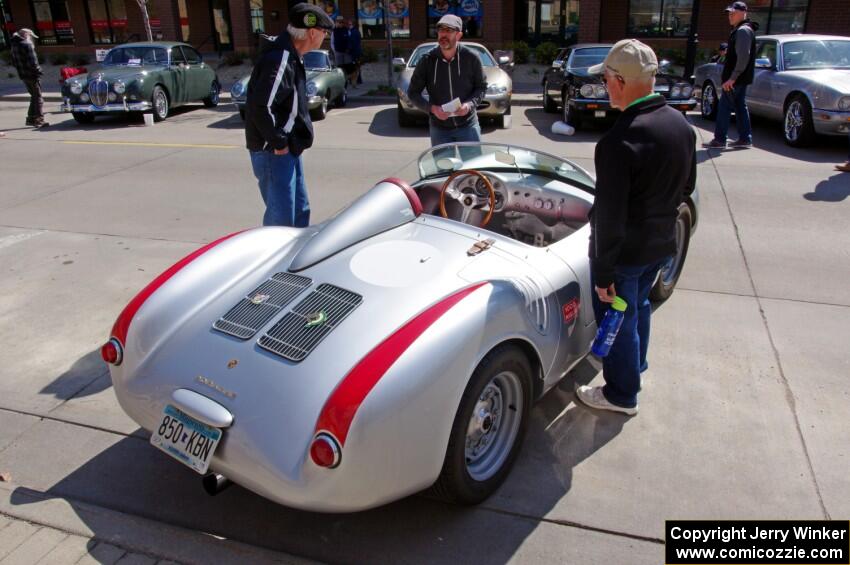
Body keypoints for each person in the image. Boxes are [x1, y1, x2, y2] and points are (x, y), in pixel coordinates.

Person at [574, 39, 696, 416]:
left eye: (607, 78)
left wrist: (604, 271)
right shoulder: (681, 125)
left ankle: (622, 394)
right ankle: (635, 368)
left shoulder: (618, 141)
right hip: (659, 245)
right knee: (639, 307)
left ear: (621, 82)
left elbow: (609, 217)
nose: (604, 85)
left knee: (618, 320)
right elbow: (687, 187)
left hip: (625, 255)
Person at [244, 3, 334, 227]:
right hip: (274, 152)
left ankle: (296, 260)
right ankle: (278, 262)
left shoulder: (293, 55)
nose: (325, 37)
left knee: (299, 212)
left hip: (288, 149)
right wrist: (279, 143)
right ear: (312, 32)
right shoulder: (280, 58)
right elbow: (260, 107)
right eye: (324, 32)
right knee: (281, 223)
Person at [407, 14, 487, 148]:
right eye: (441, 30)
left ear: (459, 35)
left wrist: (469, 105)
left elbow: (481, 87)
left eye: (449, 31)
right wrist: (432, 109)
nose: (443, 34)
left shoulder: (472, 58)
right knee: (443, 168)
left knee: (472, 167)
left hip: (468, 125)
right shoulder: (427, 60)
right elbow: (413, 93)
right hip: (439, 128)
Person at [704, 1, 759, 149]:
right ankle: (745, 138)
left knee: (724, 106)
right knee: (740, 106)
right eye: (729, 13)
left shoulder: (743, 31)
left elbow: (743, 57)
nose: (730, 16)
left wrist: (732, 78)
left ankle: (720, 139)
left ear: (743, 12)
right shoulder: (742, 30)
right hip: (739, 78)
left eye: (733, 13)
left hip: (736, 79)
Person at [9, 28, 48, 128]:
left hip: (23, 75)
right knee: (38, 97)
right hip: (32, 75)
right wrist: (39, 72)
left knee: (34, 96)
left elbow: (14, 62)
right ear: (26, 35)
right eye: (31, 36)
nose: (31, 38)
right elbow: (33, 62)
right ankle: (39, 120)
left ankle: (31, 119)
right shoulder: (27, 44)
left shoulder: (14, 45)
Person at [331, 15, 351, 82]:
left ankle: (347, 80)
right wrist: (335, 51)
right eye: (338, 22)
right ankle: (340, 80)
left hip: (346, 52)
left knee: (347, 67)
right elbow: (332, 42)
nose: (340, 23)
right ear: (336, 22)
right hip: (338, 52)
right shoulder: (334, 31)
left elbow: (350, 40)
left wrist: (349, 48)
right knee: (339, 67)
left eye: (341, 22)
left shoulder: (346, 30)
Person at [346, 19, 362, 87]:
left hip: (354, 52)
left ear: (353, 25)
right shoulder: (353, 31)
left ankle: (356, 80)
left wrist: (349, 49)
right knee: (355, 66)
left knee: (355, 66)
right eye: (348, 25)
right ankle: (357, 79)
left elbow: (353, 43)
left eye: (350, 24)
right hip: (356, 51)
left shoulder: (354, 32)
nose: (349, 26)